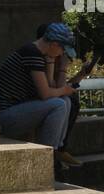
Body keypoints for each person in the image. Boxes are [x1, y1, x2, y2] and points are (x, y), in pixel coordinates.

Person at [0, 22, 80, 180]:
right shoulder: (32, 54)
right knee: (58, 104)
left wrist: (51, 62)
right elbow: (46, 94)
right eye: (62, 49)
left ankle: (55, 151)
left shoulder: (38, 54)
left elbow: (52, 88)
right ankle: (46, 157)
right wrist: (64, 90)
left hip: (16, 111)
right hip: (3, 116)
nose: (62, 54)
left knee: (65, 101)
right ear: (54, 44)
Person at [35, 22, 84, 169]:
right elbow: (52, 89)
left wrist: (81, 74)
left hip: (48, 99)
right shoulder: (40, 58)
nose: (63, 52)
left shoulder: (54, 56)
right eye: (62, 47)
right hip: (37, 101)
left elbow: (61, 87)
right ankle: (55, 151)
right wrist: (54, 64)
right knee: (63, 102)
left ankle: (59, 148)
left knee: (69, 100)